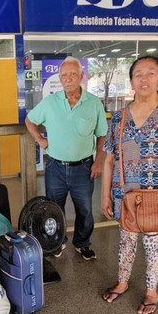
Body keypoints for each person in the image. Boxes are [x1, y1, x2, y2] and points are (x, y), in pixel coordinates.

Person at [100, 56, 158, 314]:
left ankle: (151, 290)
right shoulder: (119, 118)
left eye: (150, 73)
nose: (144, 79)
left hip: (157, 194)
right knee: (126, 241)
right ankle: (122, 282)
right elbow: (108, 160)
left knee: (152, 244)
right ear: (131, 81)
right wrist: (105, 196)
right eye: (138, 74)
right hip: (125, 194)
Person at [25, 56, 108, 260]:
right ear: (60, 78)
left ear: (81, 76)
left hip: (83, 168)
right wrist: (40, 139)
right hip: (55, 168)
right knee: (54, 209)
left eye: (73, 74)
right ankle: (58, 241)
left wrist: (98, 161)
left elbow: (102, 134)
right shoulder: (50, 103)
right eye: (64, 75)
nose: (68, 78)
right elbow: (29, 120)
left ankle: (82, 243)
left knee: (85, 210)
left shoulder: (94, 103)